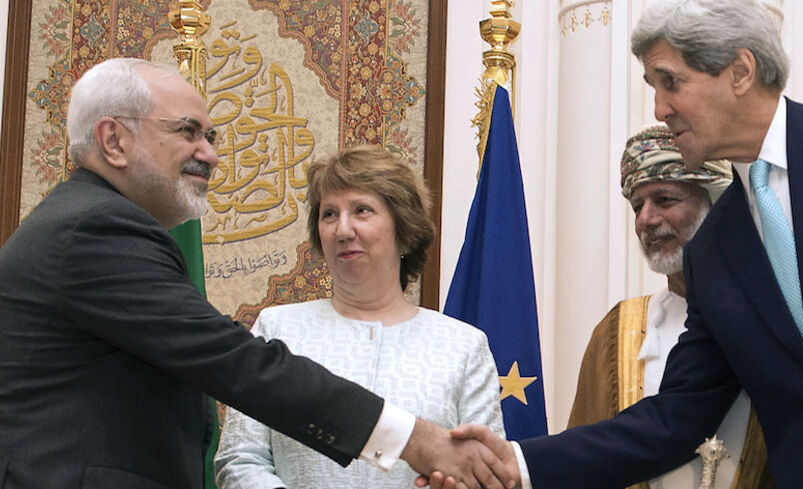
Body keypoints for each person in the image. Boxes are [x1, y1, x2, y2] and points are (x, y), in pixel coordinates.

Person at [0, 58, 515, 489]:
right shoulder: (95, 229)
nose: (210, 154)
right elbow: (232, 363)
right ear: (113, 140)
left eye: (212, 135)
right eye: (188, 132)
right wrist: (415, 440)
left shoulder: (93, 224)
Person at [440, 0, 803, 487]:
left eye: (671, 82)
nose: (659, 109)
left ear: (741, 71)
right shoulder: (713, 252)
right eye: (653, 88)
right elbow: (675, 418)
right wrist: (516, 462)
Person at [213, 145, 506, 488]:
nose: (343, 230)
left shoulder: (463, 346)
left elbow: (489, 473)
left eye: (362, 211)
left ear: (405, 231)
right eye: (329, 215)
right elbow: (239, 459)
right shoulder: (278, 329)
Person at [567, 125, 772, 489]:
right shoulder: (616, 333)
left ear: (716, 203)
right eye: (637, 206)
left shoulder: (776, 315)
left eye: (664, 200)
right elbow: (583, 468)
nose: (646, 219)